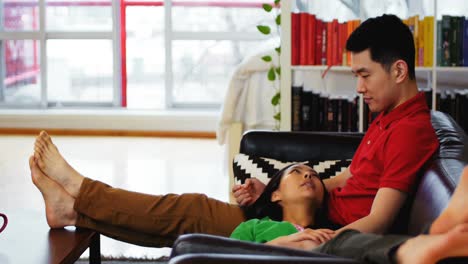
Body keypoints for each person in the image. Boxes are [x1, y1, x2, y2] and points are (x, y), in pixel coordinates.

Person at [31, 13, 437, 249]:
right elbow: (357, 178)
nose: (360, 87)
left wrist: (315, 243)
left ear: (398, 70)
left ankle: (81, 191)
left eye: (364, 75)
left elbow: (380, 220)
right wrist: (277, 191)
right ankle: (73, 208)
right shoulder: (388, 117)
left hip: (306, 230)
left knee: (185, 212)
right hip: (298, 214)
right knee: (182, 217)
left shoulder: (410, 131)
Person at [230, 163, 334, 245]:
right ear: (275, 195)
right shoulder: (252, 227)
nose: (308, 175)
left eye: (315, 175)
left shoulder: (333, 234)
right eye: (296, 172)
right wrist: (281, 244)